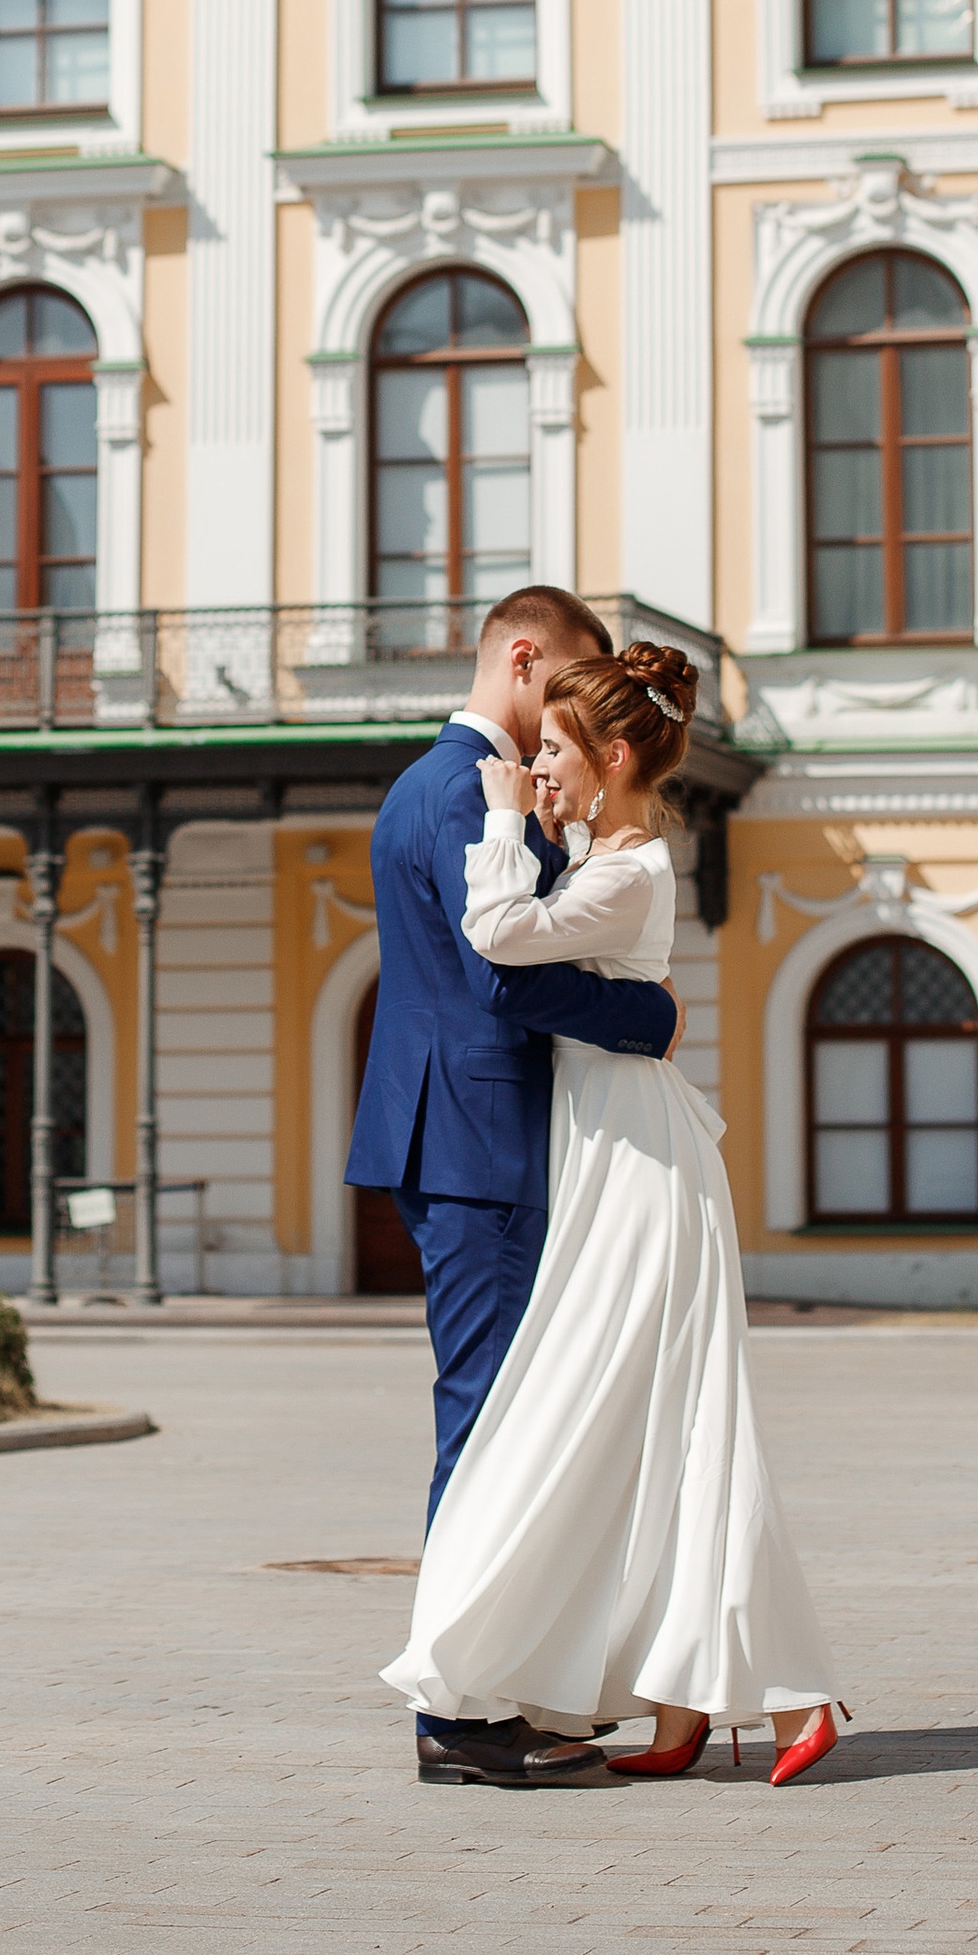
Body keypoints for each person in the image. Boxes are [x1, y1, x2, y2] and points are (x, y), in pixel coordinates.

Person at [381, 642, 845, 1789]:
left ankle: (790, 1694)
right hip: (604, 1150)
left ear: (615, 755)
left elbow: (497, 942)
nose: (533, 770)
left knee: (636, 1417)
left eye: (551, 752)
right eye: (530, 753)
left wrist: (496, 823)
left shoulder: (626, 868)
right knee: (656, 1431)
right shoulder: (601, 849)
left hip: (639, 1171)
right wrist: (642, 1002)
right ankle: (682, 1702)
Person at [346, 586, 681, 1789]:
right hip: (475, 1141)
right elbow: (503, 974)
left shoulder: (437, 782)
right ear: (525, 660)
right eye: (566, 695)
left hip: (470, 1134)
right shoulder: (455, 790)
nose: (570, 729)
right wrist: (649, 1014)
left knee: (495, 1416)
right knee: (485, 1423)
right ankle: (458, 1715)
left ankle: (492, 1688)